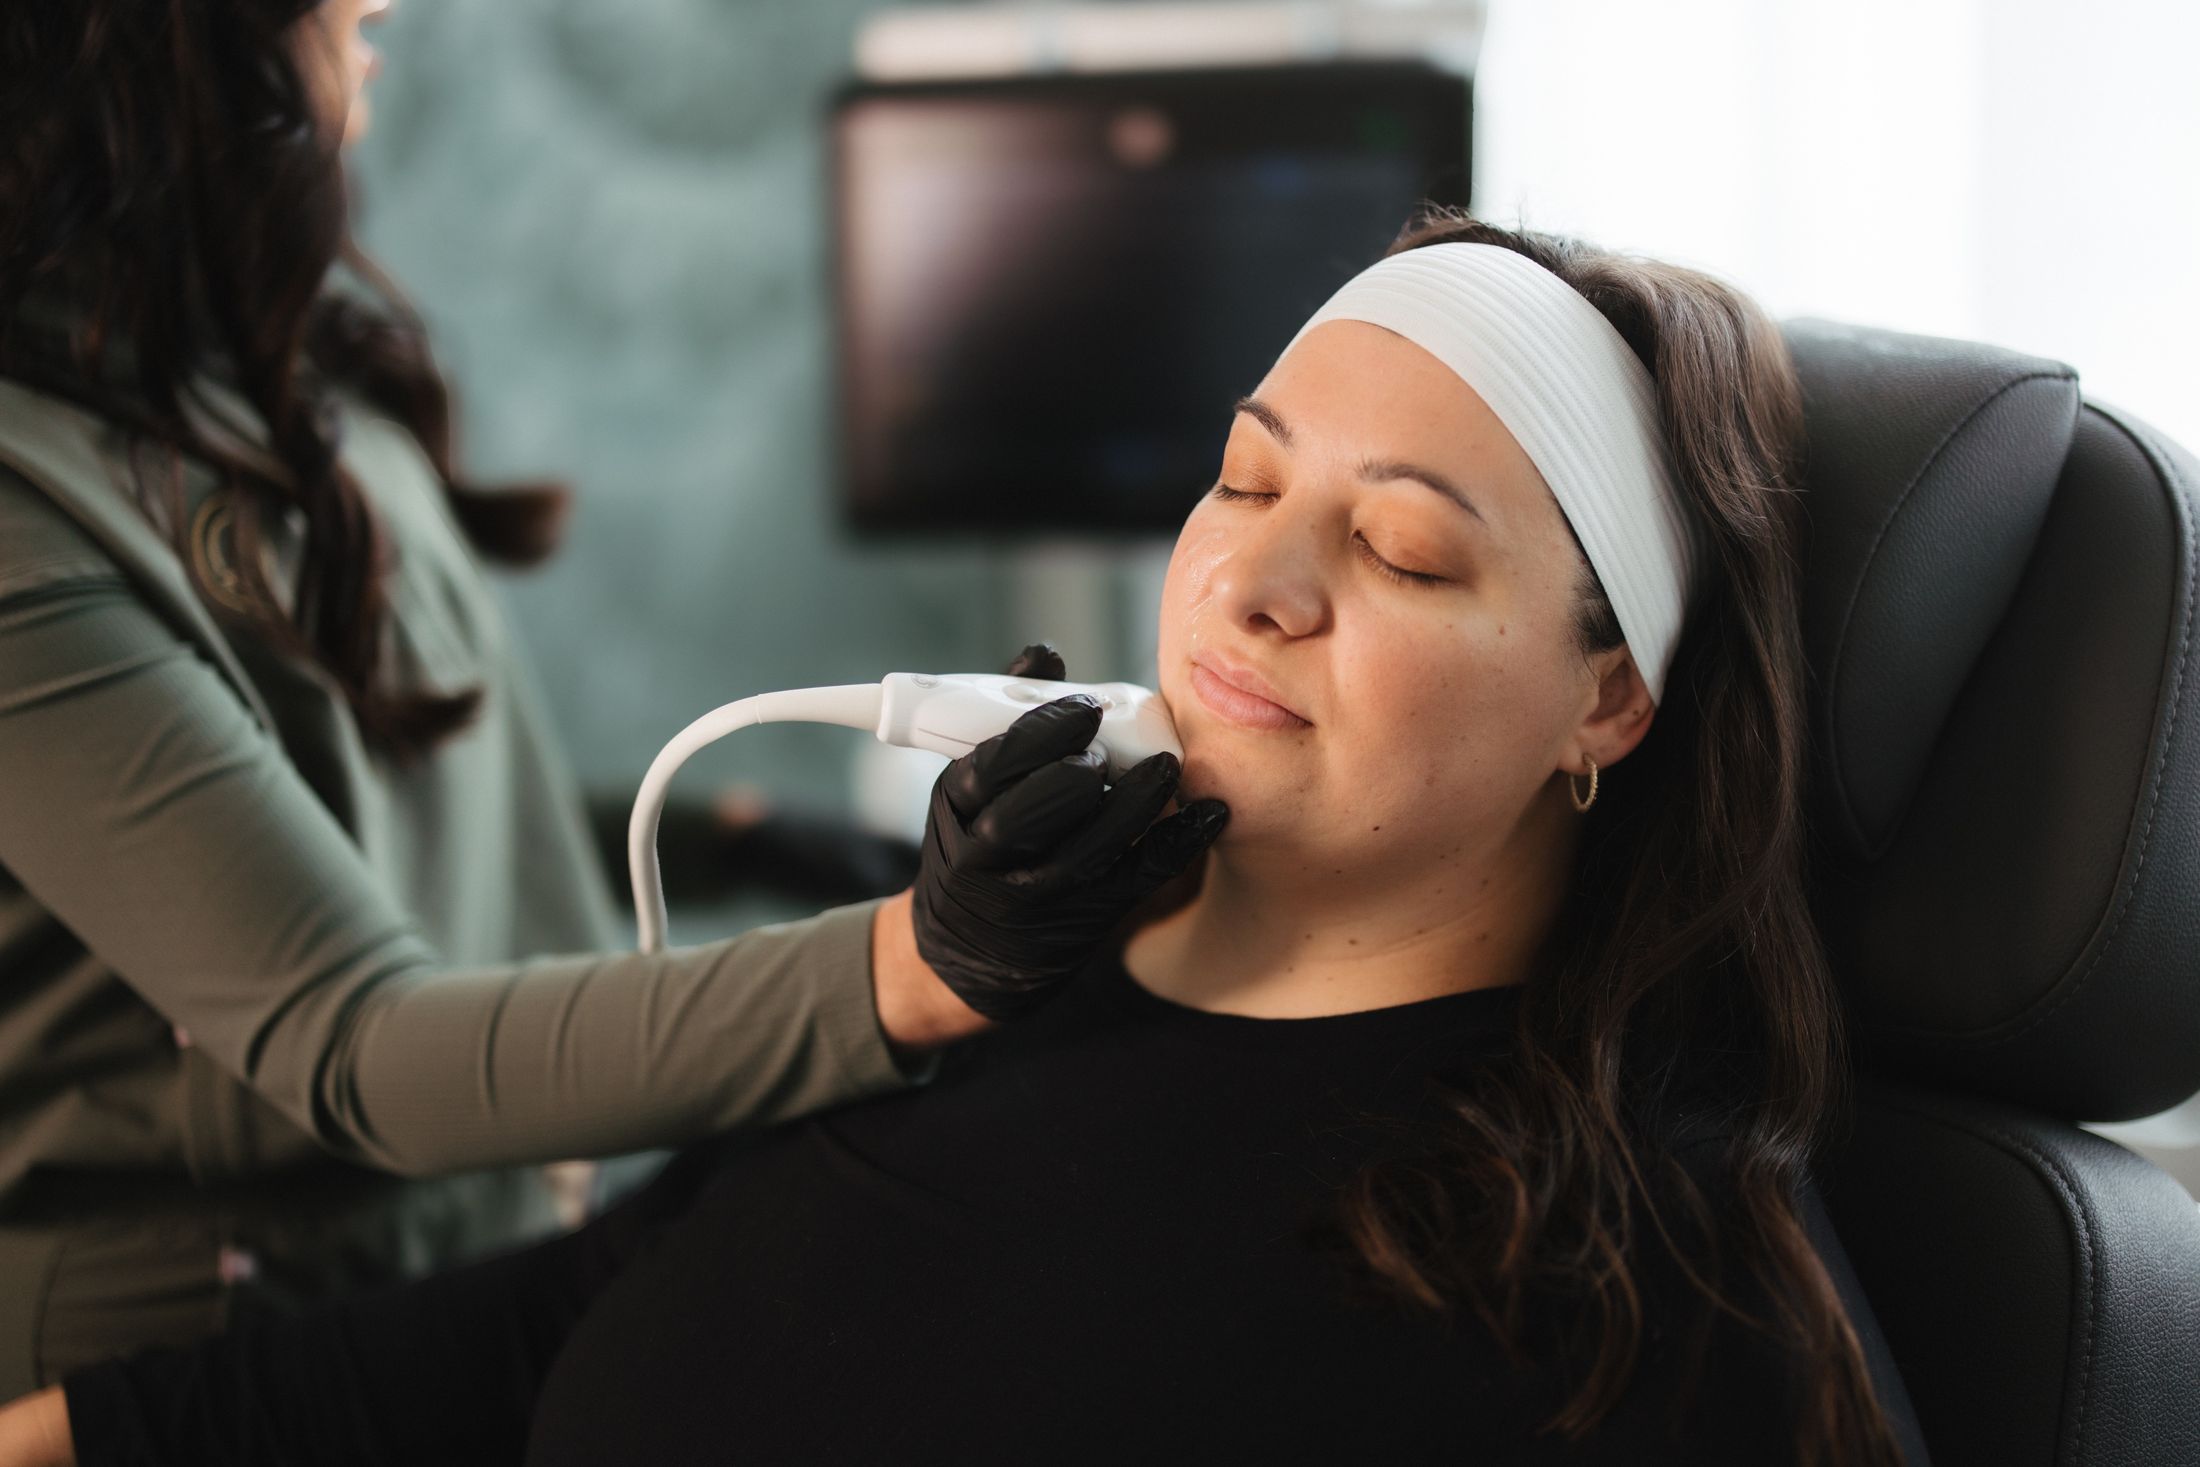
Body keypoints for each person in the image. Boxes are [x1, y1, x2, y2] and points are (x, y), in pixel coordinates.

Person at [3, 212, 1937, 1466]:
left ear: (1609, 703)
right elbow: (525, 1346)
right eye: (1244, 475)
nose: (1251, 579)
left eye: (1405, 548)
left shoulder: (1656, 1314)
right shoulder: (997, 984)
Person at [0, 0, 1227, 1399]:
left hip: (455, 1256)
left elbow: (331, 812)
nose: (376, 2)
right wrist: (917, 964)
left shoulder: (238, 351)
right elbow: (356, 1045)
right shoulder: (25, 519)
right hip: (194, 1363)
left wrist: (740, 838)